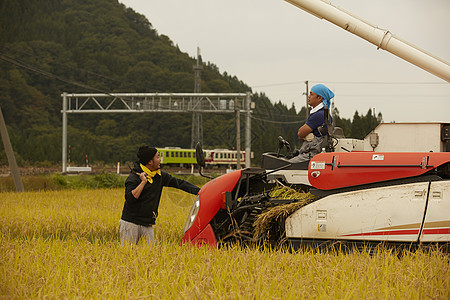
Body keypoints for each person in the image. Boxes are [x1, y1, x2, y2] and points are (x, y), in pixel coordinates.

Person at [119, 146, 200, 246]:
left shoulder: (159, 176)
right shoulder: (134, 177)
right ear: (150, 162)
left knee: (150, 255)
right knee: (128, 254)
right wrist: (143, 183)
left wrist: (201, 191)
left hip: (148, 223)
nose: (160, 160)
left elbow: (179, 183)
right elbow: (130, 198)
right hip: (130, 223)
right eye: (157, 157)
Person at [289, 83, 335, 163]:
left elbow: (300, 133)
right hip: (317, 154)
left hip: (312, 155)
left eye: (311, 94)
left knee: (286, 165)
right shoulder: (324, 113)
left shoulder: (318, 115)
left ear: (319, 98)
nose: (308, 96)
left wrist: (304, 136)